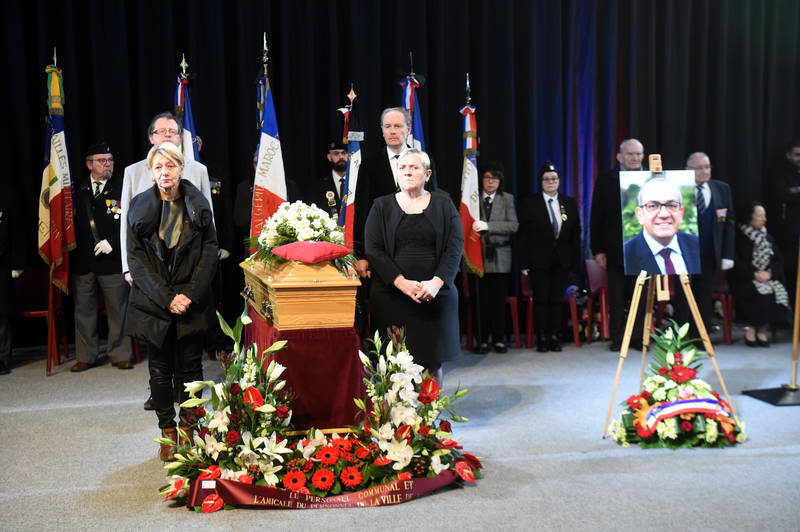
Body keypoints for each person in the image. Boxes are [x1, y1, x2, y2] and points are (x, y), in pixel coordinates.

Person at [124, 143, 218, 460]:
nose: (165, 172)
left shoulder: (199, 205)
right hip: (155, 302)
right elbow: (136, 261)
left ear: (181, 168)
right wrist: (167, 298)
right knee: (160, 371)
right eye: (159, 167)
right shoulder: (138, 206)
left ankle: (189, 429)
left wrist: (188, 294)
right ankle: (167, 431)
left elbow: (209, 253)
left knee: (191, 368)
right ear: (152, 173)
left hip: (191, 300)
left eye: (170, 166)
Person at [365, 149, 463, 383]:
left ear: (427, 175)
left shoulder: (444, 203)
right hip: (392, 295)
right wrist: (402, 283)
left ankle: (431, 406)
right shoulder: (381, 206)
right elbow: (373, 249)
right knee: (393, 363)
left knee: (431, 362)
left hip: (434, 295)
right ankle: (395, 408)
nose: (407, 172)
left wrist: (436, 283)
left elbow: (455, 246)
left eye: (414, 167)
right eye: (402, 168)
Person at [120, 112, 215, 281]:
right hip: (147, 265)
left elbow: (209, 220)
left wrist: (206, 265)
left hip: (189, 265)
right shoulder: (132, 172)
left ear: (180, 138)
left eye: (173, 131)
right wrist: (128, 268)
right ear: (151, 138)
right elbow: (126, 225)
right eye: (162, 131)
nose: (168, 134)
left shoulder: (199, 170)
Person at [69, 141, 133, 372]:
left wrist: (113, 243)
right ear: (89, 164)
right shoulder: (78, 187)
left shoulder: (122, 186)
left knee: (118, 309)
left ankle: (120, 353)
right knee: (84, 310)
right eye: (102, 161)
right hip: (84, 260)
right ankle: (86, 355)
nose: (108, 164)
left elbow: (130, 221)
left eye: (110, 160)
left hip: (112, 260)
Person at [354, 107, 438, 279]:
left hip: (421, 250)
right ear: (382, 130)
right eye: (387, 126)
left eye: (398, 126)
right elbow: (362, 210)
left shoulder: (424, 161)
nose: (392, 131)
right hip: (382, 252)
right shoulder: (369, 164)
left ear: (409, 129)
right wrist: (361, 254)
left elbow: (434, 204)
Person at [519, 161, 581, 352]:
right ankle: (542, 336)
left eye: (554, 179)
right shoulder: (530, 203)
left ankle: (554, 335)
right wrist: (524, 263)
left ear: (559, 181)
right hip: (538, 261)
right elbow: (523, 236)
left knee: (556, 299)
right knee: (541, 299)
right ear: (540, 182)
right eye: (547, 179)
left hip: (562, 260)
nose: (551, 182)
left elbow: (576, 234)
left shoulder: (569, 203)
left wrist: (575, 262)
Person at [590, 138, 646, 350]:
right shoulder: (607, 179)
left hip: (644, 248)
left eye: (639, 154)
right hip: (615, 249)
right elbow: (597, 215)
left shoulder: (652, 178)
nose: (635, 158)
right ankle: (619, 338)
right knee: (616, 296)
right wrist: (598, 249)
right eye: (631, 154)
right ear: (619, 157)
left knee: (641, 296)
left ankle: (638, 337)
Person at [682, 152, 735, 329]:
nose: (704, 171)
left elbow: (729, 224)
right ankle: (681, 336)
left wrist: (727, 254)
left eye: (707, 167)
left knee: (705, 295)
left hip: (709, 253)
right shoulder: (678, 189)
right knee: (684, 296)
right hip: (684, 254)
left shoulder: (722, 188)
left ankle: (701, 336)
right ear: (687, 169)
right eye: (699, 168)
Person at [471, 162, 518, 353]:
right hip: (478, 257)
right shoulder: (472, 199)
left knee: (498, 301)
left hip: (499, 255)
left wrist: (489, 226)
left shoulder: (507, 199)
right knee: (480, 301)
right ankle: (482, 340)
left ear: (500, 181)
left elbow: (513, 225)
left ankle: (499, 339)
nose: (491, 182)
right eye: (487, 177)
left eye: (495, 178)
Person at [732, 202, 791, 347]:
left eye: (764, 216)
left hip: (767, 277)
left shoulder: (768, 238)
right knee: (759, 293)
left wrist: (770, 273)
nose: (764, 219)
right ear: (749, 218)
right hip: (746, 278)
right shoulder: (739, 237)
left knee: (777, 290)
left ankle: (757, 330)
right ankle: (756, 329)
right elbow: (737, 263)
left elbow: (778, 260)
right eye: (760, 216)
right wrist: (754, 274)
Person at [623, 177, 701, 275]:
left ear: (681, 213)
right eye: (653, 206)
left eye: (672, 205)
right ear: (640, 215)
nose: (664, 214)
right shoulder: (625, 256)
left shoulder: (698, 245)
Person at [765, 138, 800, 300]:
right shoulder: (780, 172)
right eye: (797, 155)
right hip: (787, 233)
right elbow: (783, 195)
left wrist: (795, 191)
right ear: (788, 155)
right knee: (789, 270)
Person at [0, 182, 24, 375]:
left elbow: (16, 231)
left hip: (2, 263)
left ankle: (2, 358)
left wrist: (17, 264)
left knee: (2, 314)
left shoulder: (6, 194)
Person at [308, 140, 349, 220]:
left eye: (344, 153)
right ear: (329, 157)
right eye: (336, 154)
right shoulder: (319, 186)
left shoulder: (357, 183)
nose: (341, 157)